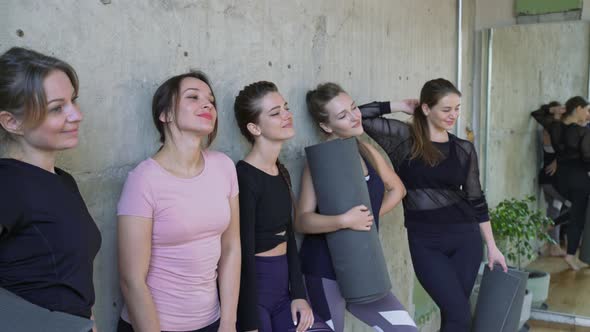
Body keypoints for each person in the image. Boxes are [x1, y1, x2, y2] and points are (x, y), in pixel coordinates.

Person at [359, 78, 507, 332]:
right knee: (459, 316)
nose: (454, 116)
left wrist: (492, 246)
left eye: (458, 108)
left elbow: (476, 198)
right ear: (426, 108)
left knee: (455, 317)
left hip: (466, 239)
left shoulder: (463, 149)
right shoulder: (403, 139)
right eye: (446, 109)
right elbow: (357, 116)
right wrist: (399, 105)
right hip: (425, 242)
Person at [117, 71, 241, 332]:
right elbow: (131, 280)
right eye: (193, 97)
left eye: (211, 100)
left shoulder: (224, 167)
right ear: (166, 114)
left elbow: (231, 246)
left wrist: (229, 321)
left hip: (213, 321)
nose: (207, 104)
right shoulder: (143, 180)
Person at [297, 82, 417, 332]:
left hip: (362, 264)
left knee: (404, 329)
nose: (354, 117)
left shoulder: (367, 150)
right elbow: (302, 220)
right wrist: (345, 221)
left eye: (353, 108)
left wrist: (368, 216)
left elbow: (398, 190)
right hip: (323, 269)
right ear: (326, 126)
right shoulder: (320, 162)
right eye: (342, 115)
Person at [0, 47, 102, 330]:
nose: (77, 115)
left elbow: (74, 280)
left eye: (73, 101)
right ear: (12, 122)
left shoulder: (63, 179)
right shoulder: (6, 184)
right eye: (57, 108)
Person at [234, 81, 330, 332]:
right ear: (254, 127)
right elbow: (240, 250)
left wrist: (299, 294)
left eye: (285, 108)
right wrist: (249, 322)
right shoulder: (244, 177)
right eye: (275, 113)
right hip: (253, 299)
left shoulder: (281, 171)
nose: (287, 115)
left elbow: (288, 236)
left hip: (283, 295)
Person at [549, 96, 590, 271]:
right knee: (578, 218)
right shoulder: (583, 132)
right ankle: (571, 255)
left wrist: (554, 111)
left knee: (575, 210)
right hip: (579, 178)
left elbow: (537, 114)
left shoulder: (557, 127)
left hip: (562, 179)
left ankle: (550, 223)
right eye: (587, 109)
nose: (588, 114)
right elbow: (587, 158)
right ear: (578, 108)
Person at [531, 102, 568, 257]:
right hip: (549, 179)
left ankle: (553, 245)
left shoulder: (560, 129)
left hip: (553, 179)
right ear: (553, 114)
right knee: (569, 204)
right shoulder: (550, 129)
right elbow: (555, 150)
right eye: (559, 111)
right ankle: (550, 239)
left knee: (554, 211)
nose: (562, 113)